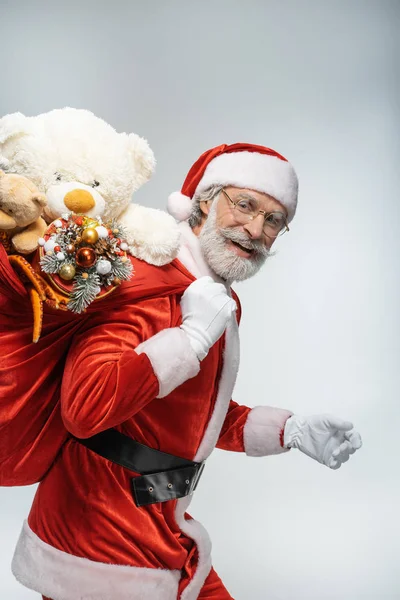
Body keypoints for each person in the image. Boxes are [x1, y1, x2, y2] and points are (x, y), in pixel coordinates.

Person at [11, 143, 362, 600]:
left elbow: (192, 412)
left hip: (158, 527)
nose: (255, 228)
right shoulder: (145, 281)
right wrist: (192, 338)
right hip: (96, 535)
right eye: (245, 204)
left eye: (274, 220)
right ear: (202, 202)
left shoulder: (214, 299)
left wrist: (290, 432)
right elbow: (85, 407)